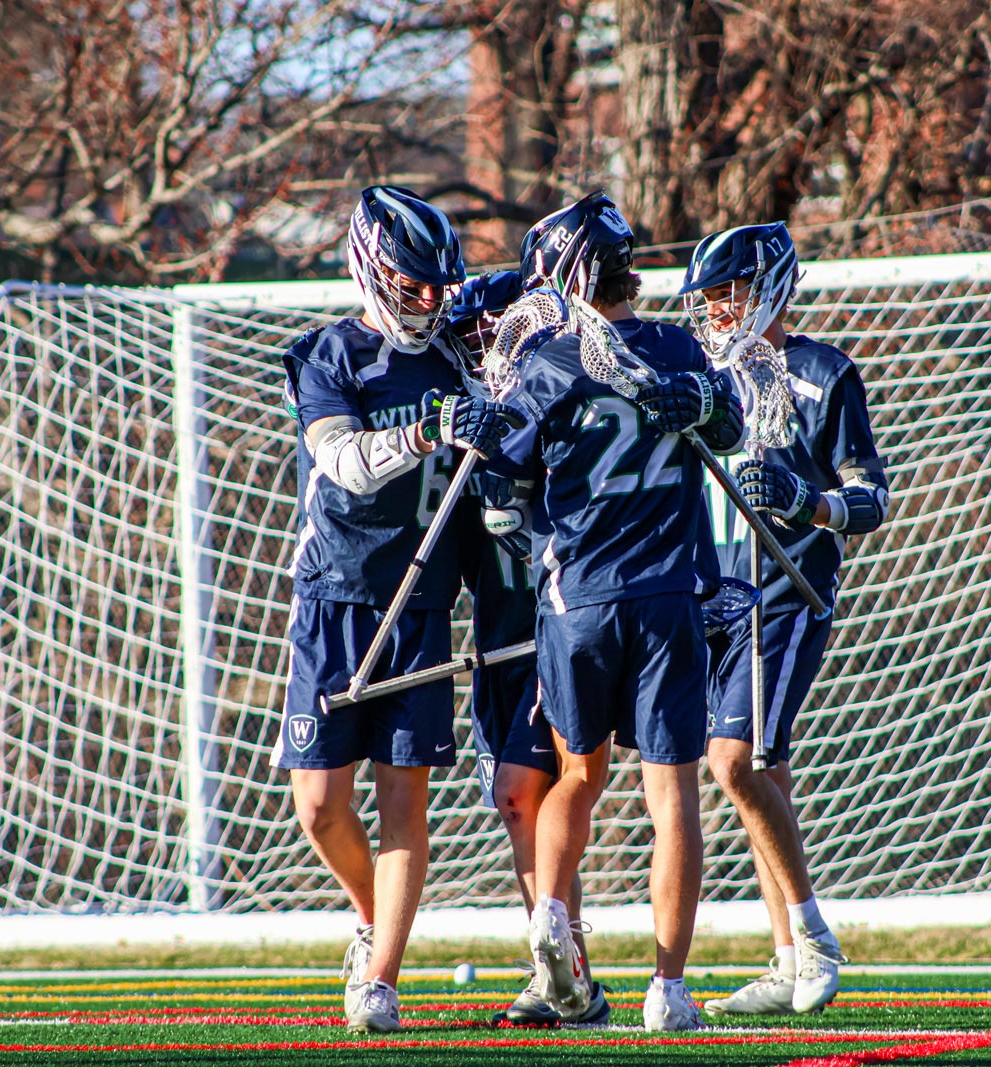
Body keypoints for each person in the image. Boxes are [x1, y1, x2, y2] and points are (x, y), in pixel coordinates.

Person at [490, 190, 744, 1032]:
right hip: (667, 595)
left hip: (579, 600)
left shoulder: (549, 362)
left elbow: (506, 480)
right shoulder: (675, 345)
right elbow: (733, 423)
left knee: (578, 776)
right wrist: (701, 402)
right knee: (670, 795)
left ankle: (551, 913)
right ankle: (667, 988)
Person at [271, 186, 520, 1034]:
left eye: (437, 286)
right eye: (413, 283)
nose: (429, 300)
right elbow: (340, 461)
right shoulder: (330, 354)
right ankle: (371, 915)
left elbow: (538, 300)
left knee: (402, 801)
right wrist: (426, 433)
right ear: (375, 270)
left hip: (420, 603)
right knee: (318, 804)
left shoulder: (456, 352)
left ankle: (380, 977)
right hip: (335, 595)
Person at [679, 222, 889, 1016]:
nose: (715, 310)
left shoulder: (823, 372)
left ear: (767, 285)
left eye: (727, 292)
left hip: (785, 589)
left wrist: (811, 503)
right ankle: (787, 957)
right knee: (759, 771)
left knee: (731, 761)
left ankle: (812, 934)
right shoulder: (698, 374)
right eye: (708, 296)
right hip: (710, 594)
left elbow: (872, 495)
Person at [445, 271, 609, 1027]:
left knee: (529, 790)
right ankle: (561, 972)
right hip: (495, 640)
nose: (486, 348)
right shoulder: (469, 419)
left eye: (495, 330)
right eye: (475, 334)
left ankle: (567, 970)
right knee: (516, 805)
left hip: (554, 632)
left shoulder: (551, 401)